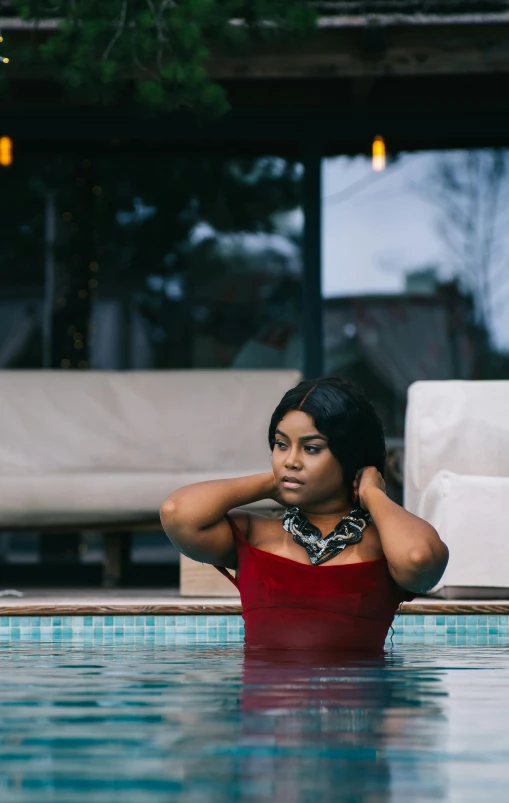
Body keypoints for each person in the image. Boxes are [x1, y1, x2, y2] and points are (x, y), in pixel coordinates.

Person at [160, 376, 449, 652]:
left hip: (363, 701)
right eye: (281, 445)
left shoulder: (384, 547)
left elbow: (419, 560)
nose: (291, 461)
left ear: (351, 457)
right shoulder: (255, 535)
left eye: (311, 448)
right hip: (265, 703)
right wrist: (271, 483)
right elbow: (177, 513)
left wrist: (372, 493)